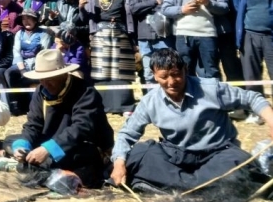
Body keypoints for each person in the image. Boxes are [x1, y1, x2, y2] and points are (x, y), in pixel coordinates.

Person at [110, 49, 273, 193]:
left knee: (238, 165)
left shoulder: (211, 89)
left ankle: (177, 186)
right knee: (139, 154)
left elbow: (252, 99)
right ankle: (201, 187)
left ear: (185, 70)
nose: (171, 82)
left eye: (176, 74)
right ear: (154, 75)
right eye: (164, 77)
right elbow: (126, 135)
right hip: (177, 158)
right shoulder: (149, 102)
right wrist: (119, 164)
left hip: (218, 154)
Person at [7, 50, 114, 188]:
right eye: (41, 79)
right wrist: (22, 146)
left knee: (75, 157)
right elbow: (33, 124)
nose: (45, 84)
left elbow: (81, 129)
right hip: (53, 141)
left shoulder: (85, 92)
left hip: (80, 145)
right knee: (12, 141)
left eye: (50, 79)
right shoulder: (40, 91)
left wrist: (48, 149)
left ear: (63, 74)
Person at [161, 0, 229, 79]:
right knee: (184, 73)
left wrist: (208, 3)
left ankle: (212, 93)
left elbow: (224, 8)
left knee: (211, 72)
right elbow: (165, 9)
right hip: (183, 36)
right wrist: (182, 9)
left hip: (207, 34)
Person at [80, 0, 138, 114]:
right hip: (100, 35)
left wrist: (132, 38)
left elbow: (130, 16)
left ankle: (124, 105)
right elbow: (84, 19)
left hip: (120, 34)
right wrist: (81, 7)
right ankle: (103, 105)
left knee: (121, 71)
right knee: (102, 71)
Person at [234, 0, 273, 97]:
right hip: (249, 36)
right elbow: (237, 8)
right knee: (251, 77)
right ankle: (257, 107)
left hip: (271, 36)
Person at [125, 0, 171, 83]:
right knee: (148, 73)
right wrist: (154, 2)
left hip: (162, 35)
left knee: (165, 70)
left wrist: (143, 7)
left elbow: (165, 8)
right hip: (144, 37)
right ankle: (151, 95)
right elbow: (133, 9)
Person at [3, 9, 53, 114]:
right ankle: (17, 102)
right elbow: (16, 51)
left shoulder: (44, 33)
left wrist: (32, 62)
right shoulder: (19, 33)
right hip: (22, 63)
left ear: (35, 20)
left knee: (35, 76)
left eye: (29, 18)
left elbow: (43, 53)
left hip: (37, 63)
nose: (26, 21)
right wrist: (22, 69)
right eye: (24, 19)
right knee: (9, 73)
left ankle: (36, 105)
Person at [214, 0, 247, 85]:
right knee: (211, 65)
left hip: (232, 31)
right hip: (214, 29)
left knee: (231, 64)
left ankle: (236, 92)